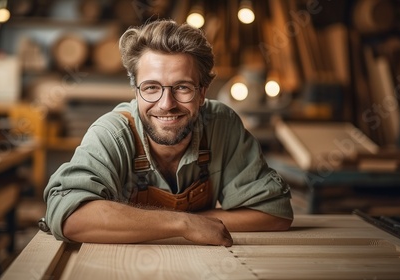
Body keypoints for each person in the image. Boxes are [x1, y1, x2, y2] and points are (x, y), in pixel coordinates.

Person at [44, 19, 293, 247]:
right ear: (135, 91)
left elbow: (275, 213)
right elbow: (70, 216)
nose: (166, 104)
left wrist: (193, 222)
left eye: (182, 87)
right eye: (151, 88)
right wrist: (183, 224)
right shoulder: (112, 133)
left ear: (203, 92)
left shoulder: (221, 124)